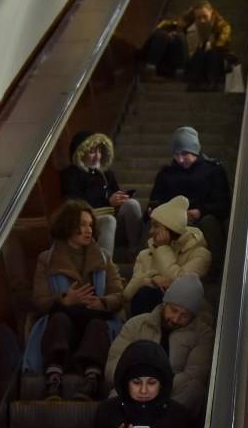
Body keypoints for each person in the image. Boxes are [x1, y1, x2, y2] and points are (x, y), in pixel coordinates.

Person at [32, 199, 124, 400]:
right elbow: (39, 300)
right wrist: (64, 299)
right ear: (68, 226)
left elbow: (118, 294)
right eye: (82, 225)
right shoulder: (46, 259)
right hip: (63, 323)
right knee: (59, 320)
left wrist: (102, 302)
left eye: (90, 225)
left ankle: (91, 381)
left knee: (97, 325)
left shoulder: (104, 258)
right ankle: (53, 380)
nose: (88, 230)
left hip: (93, 321)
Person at [107, 274, 215, 417]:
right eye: (174, 310)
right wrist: (140, 384)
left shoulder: (202, 334)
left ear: (193, 316)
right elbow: (113, 365)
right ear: (165, 303)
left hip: (172, 397)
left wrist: (157, 387)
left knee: (195, 391)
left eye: (185, 315)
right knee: (114, 396)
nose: (176, 319)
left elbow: (196, 374)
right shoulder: (136, 325)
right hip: (134, 391)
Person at [149, 126, 231, 276]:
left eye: (185, 154)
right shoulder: (166, 174)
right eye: (176, 155)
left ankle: (216, 270)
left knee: (210, 222)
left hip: (202, 218)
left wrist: (201, 211)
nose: (180, 159)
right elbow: (155, 201)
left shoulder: (213, 171)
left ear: (195, 151)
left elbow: (223, 204)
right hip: (171, 222)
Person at [123, 195, 212, 316]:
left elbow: (181, 288)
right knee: (146, 293)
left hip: (181, 319)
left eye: (156, 226)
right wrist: (153, 278)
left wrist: (163, 249)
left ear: (170, 228)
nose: (150, 231)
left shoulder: (200, 254)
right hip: (145, 316)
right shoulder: (145, 254)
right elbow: (128, 294)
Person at [61, 130, 143, 260]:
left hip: (113, 220)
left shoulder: (106, 174)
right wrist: (107, 202)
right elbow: (75, 205)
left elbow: (114, 195)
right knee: (109, 221)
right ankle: (104, 268)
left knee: (132, 205)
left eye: (99, 151)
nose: (97, 156)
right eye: (92, 152)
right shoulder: (71, 174)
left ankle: (135, 252)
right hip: (90, 225)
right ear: (81, 153)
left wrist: (121, 198)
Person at [139, 0, 234, 88]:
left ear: (212, 13)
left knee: (183, 40)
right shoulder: (188, 22)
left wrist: (211, 45)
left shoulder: (222, 26)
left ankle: (183, 75)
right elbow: (164, 26)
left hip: (207, 60)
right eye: (198, 17)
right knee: (163, 35)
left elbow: (222, 43)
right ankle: (150, 70)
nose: (202, 20)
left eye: (205, 16)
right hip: (185, 59)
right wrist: (175, 28)